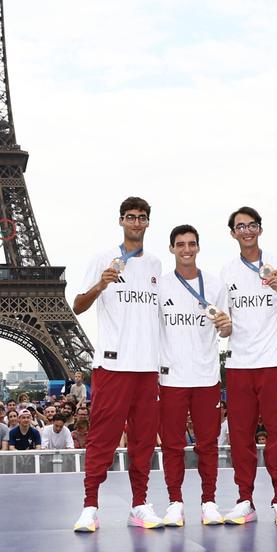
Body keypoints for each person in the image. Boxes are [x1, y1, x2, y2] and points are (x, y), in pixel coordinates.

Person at [71, 197, 163, 532]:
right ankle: (90, 506)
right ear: (121, 221)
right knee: (102, 438)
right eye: (130, 217)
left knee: (142, 440)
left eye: (142, 218)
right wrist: (101, 283)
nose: (136, 223)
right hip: (112, 365)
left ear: (148, 223)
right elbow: (78, 306)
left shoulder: (155, 265)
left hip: (147, 367)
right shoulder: (102, 259)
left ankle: (139, 504)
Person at [220, 206, 277, 527]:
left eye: (251, 225)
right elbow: (225, 326)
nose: (246, 231)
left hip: (273, 361)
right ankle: (245, 499)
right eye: (240, 226)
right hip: (240, 364)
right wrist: (221, 324)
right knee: (240, 436)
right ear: (232, 234)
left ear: (260, 229)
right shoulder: (226, 273)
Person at [156, 224, 230, 528]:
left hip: (206, 377)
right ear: (172, 248)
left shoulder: (214, 285)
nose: (186, 249)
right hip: (171, 378)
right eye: (180, 244)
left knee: (208, 443)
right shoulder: (159, 286)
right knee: (172, 445)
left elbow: (226, 329)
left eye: (192, 244)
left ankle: (209, 501)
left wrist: (226, 326)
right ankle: (175, 502)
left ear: (198, 247)